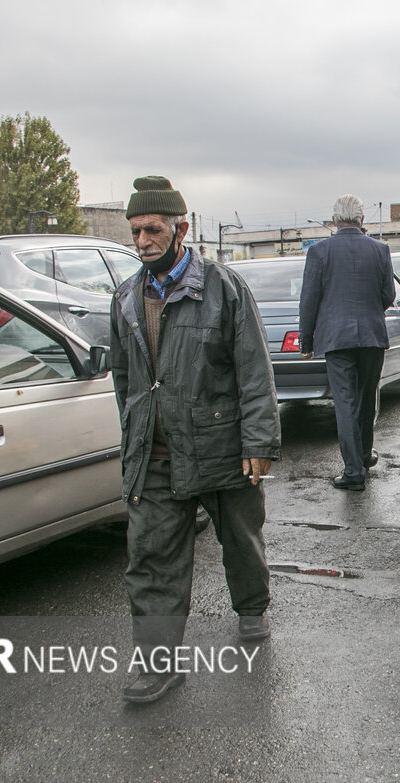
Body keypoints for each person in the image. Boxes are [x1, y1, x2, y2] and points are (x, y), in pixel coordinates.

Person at [109, 176, 281, 704]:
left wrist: (258, 444)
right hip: (157, 455)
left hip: (221, 447)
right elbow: (125, 381)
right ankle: (158, 666)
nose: (142, 242)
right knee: (151, 559)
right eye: (135, 231)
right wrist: (135, 437)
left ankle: (251, 608)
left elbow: (254, 370)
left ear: (181, 229)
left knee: (241, 539)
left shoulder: (224, 289)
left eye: (153, 230)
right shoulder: (124, 298)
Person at [298, 194, 395, 492]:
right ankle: (364, 456)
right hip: (371, 336)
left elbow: (309, 299)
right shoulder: (380, 250)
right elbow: (388, 295)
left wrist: (306, 340)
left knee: (345, 403)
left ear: (334, 221)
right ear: (362, 220)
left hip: (336, 338)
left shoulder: (319, 251)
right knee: (367, 400)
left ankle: (353, 471)